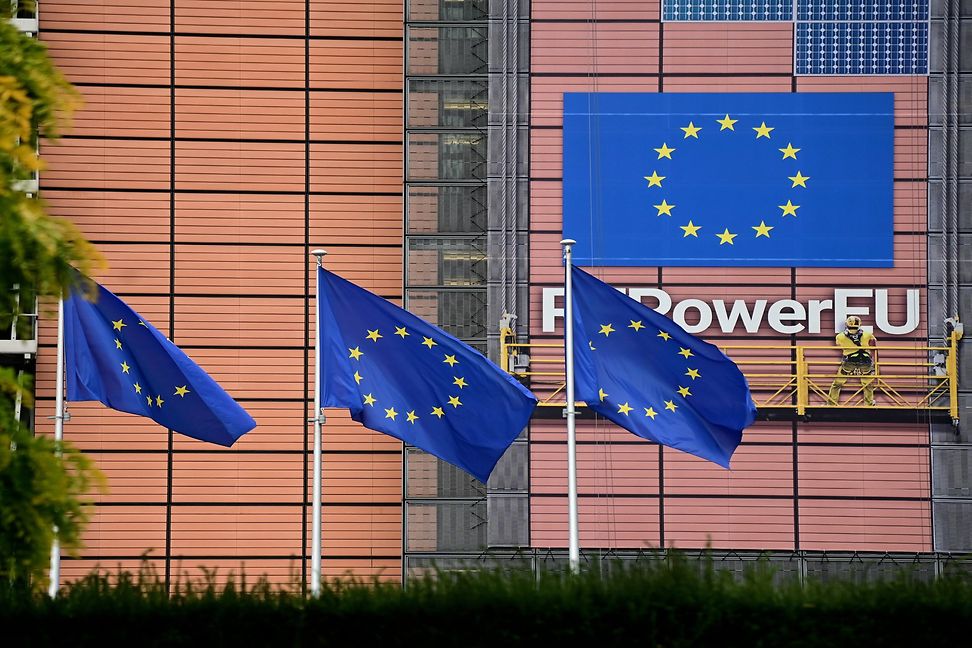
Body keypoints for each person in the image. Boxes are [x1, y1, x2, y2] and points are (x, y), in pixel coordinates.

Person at [828, 316, 877, 406]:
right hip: (865, 362)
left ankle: (831, 404)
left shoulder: (840, 336)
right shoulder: (868, 334)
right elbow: (873, 345)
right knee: (867, 384)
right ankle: (869, 404)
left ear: (847, 324)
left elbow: (839, 345)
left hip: (849, 362)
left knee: (837, 384)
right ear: (860, 324)